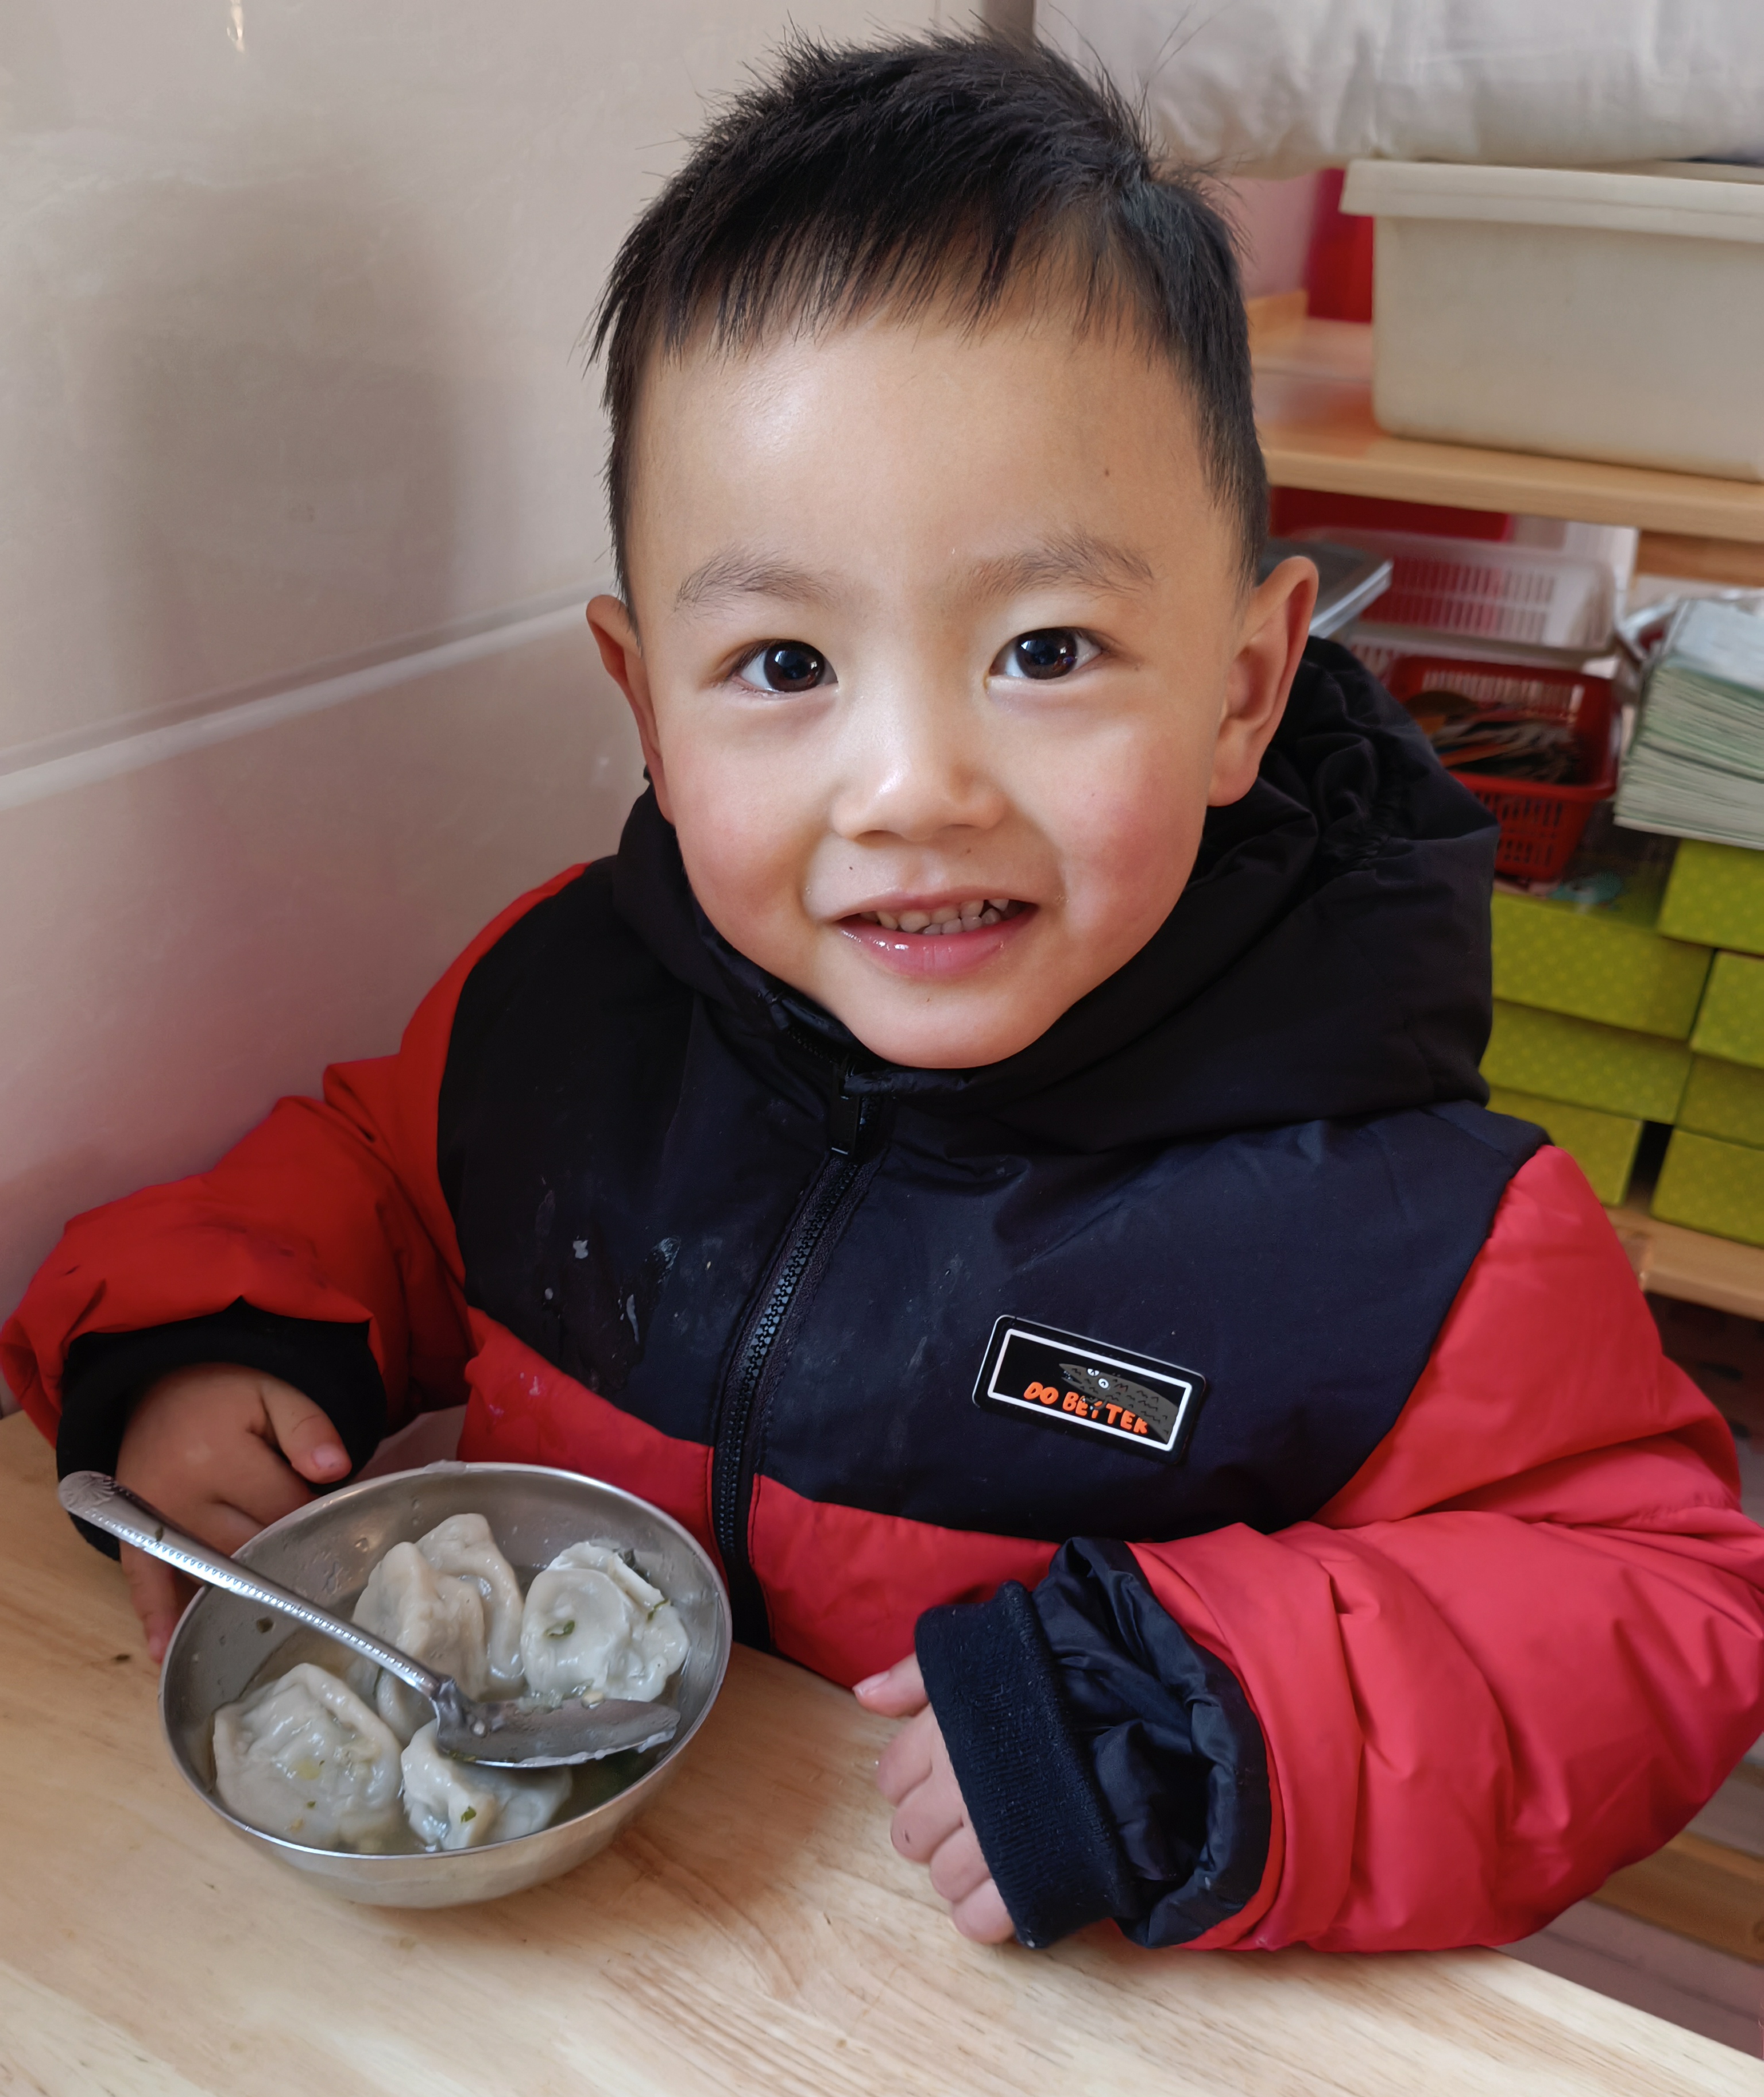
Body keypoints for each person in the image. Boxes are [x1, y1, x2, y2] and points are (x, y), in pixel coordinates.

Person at [6, 34, 1762, 1955]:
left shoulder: (1412, 1239)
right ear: (646, 707)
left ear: (1245, 687)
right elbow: (372, 1179)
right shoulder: (556, 1015)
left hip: (1040, 2050)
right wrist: (212, 1346)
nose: (915, 788)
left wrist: (1184, 1723)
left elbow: (1664, 1600)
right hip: (590, 1994)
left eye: (1047, 647)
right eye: (783, 665)